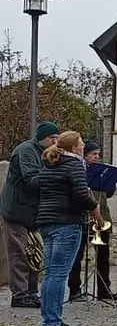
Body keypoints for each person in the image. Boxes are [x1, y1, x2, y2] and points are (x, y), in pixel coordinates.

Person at [34, 130, 97, 326]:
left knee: (50, 273)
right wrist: (94, 207)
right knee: (60, 273)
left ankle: (48, 318)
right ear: (73, 147)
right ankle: (53, 321)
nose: (83, 146)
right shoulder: (74, 164)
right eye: (80, 143)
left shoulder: (50, 163)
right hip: (67, 222)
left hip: (47, 221)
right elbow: (80, 194)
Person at [1, 121, 60, 308]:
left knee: (35, 252)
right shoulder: (25, 151)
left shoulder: (45, 151)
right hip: (16, 209)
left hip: (33, 210)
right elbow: (32, 180)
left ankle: (32, 292)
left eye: (57, 138)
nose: (55, 142)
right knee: (19, 252)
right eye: (52, 138)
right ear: (42, 137)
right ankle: (19, 294)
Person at [68, 140, 116, 302]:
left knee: (103, 255)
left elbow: (108, 194)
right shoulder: (80, 170)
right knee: (78, 255)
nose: (96, 157)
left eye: (98, 154)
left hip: (102, 218)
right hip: (83, 220)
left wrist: (109, 182)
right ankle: (75, 290)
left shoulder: (101, 172)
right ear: (85, 155)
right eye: (93, 154)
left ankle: (104, 289)